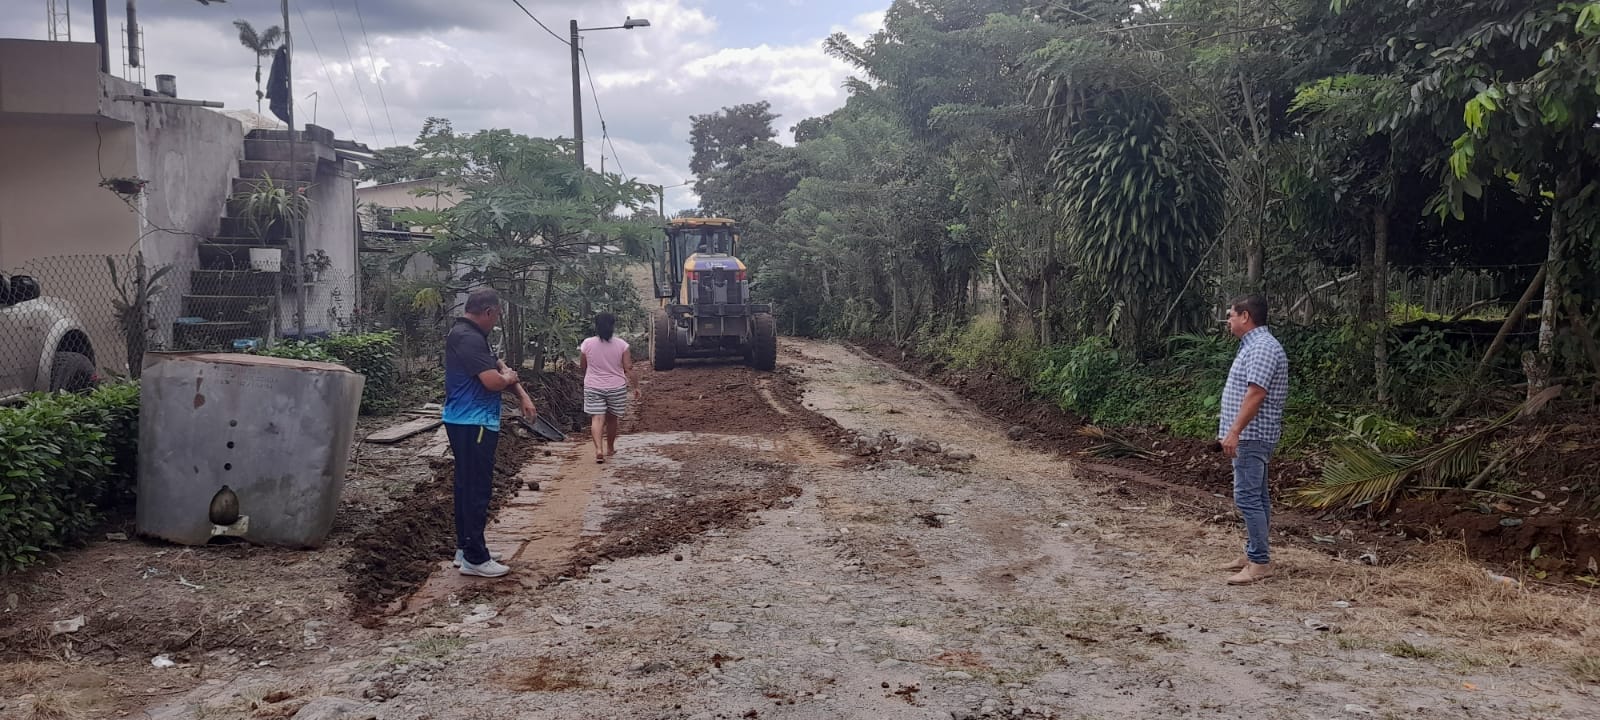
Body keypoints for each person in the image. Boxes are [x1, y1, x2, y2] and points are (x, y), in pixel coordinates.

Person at [443, 288, 535, 578]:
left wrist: (518, 389)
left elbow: (497, 365)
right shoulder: (469, 338)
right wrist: (508, 378)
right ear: (488, 312)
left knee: (466, 486)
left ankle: (466, 548)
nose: (496, 321)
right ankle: (475, 558)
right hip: (474, 423)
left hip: (466, 421)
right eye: (496, 316)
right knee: (476, 490)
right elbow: (493, 381)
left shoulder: (468, 334)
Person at [1217, 294, 1290, 585]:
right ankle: (1253, 553)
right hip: (1251, 435)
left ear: (1245, 316)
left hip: (1252, 435)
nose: (1228, 320)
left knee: (1247, 497)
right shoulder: (1254, 345)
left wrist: (1235, 431)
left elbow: (1256, 393)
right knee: (1257, 497)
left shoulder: (1262, 348)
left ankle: (1259, 562)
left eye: (1231, 315)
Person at [579, 312, 638, 463]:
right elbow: (628, 368)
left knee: (597, 418)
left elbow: (583, 366)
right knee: (612, 419)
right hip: (616, 387)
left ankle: (598, 450)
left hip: (593, 386)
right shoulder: (622, 345)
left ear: (596, 326)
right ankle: (610, 448)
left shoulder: (587, 344)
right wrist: (636, 387)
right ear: (612, 326)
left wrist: (590, 377)